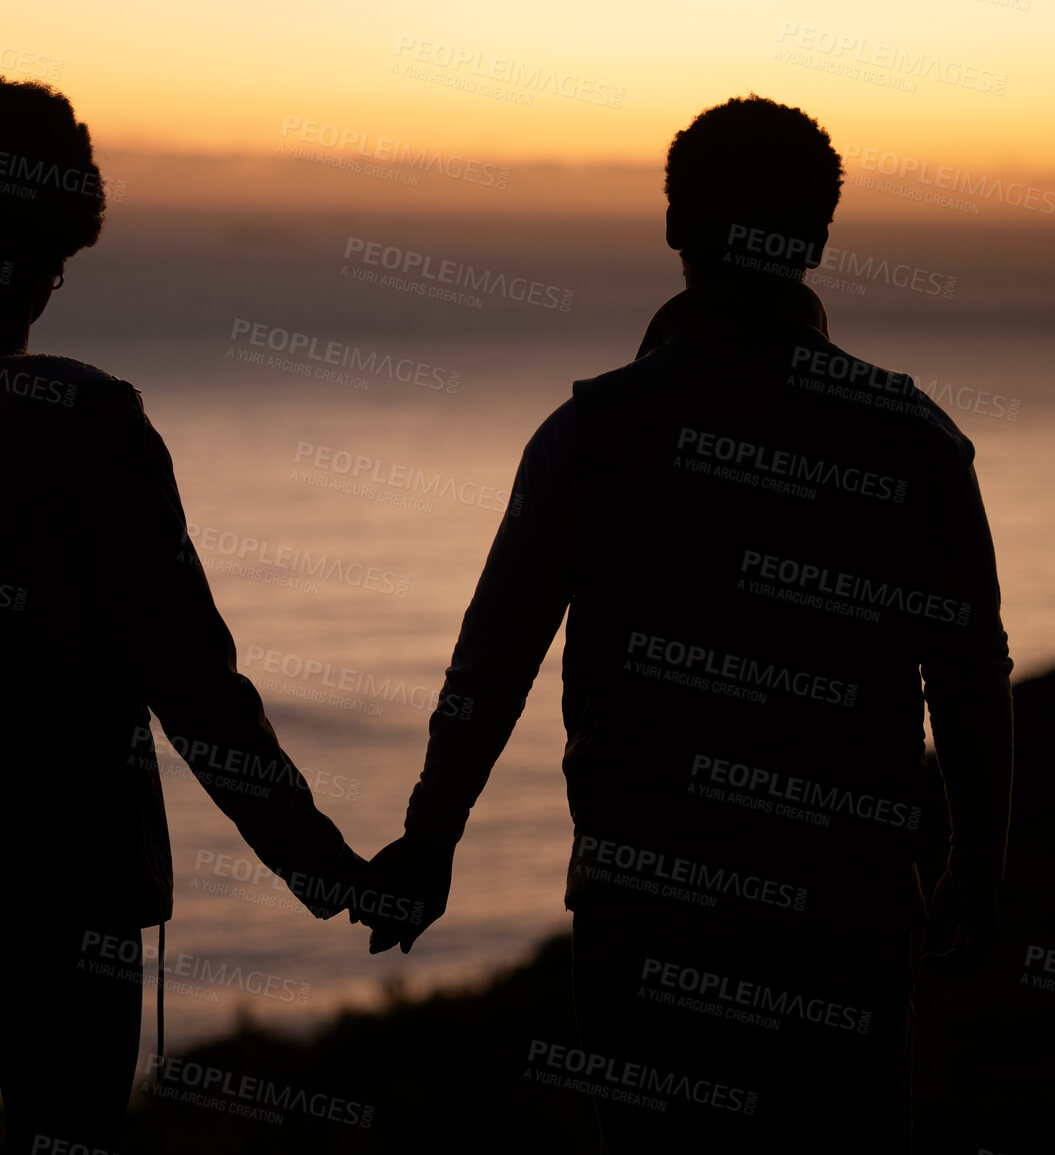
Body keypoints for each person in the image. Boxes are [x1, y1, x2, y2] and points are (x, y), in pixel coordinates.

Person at [359, 95, 1014, 1152]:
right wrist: (977, 866)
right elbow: (970, 672)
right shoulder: (914, 439)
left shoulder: (588, 434)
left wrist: (432, 841)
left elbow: (494, 660)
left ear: (674, 228)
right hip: (845, 916)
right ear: (820, 238)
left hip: (643, 916)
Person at [0, 76, 371, 1152]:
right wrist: (319, 862)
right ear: (56, 244)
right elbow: (190, 676)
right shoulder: (92, 426)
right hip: (67, 881)